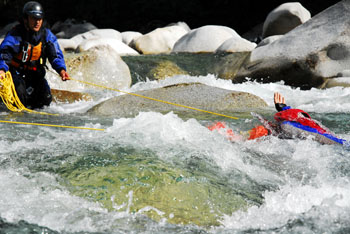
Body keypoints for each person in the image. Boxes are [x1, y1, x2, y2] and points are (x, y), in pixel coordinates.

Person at [0, 1, 69, 109]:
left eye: (39, 19)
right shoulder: (16, 34)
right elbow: (5, 53)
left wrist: (61, 70)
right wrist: (2, 70)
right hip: (16, 74)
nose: (37, 22)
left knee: (45, 99)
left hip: (35, 74)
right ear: (25, 19)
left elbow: (55, 55)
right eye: (34, 18)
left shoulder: (46, 35)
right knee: (19, 95)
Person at [208, 92, 347, 145]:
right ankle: (236, 138)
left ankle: (235, 138)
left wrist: (284, 109)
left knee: (267, 130)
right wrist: (284, 109)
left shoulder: (287, 126)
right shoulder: (292, 127)